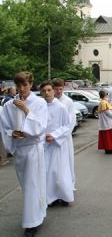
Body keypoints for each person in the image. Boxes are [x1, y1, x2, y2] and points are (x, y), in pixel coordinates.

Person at [0, 72, 47, 236]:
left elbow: (41, 127)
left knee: (32, 184)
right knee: (27, 185)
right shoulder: (8, 105)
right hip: (20, 149)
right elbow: (4, 126)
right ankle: (39, 211)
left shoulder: (39, 102)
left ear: (31, 84)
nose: (22, 89)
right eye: (18, 86)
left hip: (33, 149)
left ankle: (31, 223)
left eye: (25, 85)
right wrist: (11, 133)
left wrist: (27, 110)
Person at [40, 81, 74, 207]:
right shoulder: (41, 106)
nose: (47, 93)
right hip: (44, 144)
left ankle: (64, 196)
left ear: (53, 91)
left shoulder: (61, 107)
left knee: (60, 171)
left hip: (58, 144)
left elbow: (67, 125)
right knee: (48, 171)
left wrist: (54, 135)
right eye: (44, 91)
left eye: (49, 90)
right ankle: (51, 197)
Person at [52, 78, 77, 190]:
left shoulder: (68, 101)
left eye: (60, 89)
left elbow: (71, 121)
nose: (58, 91)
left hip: (64, 138)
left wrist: (60, 135)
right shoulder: (48, 101)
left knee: (66, 162)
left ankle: (69, 185)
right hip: (50, 139)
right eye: (56, 89)